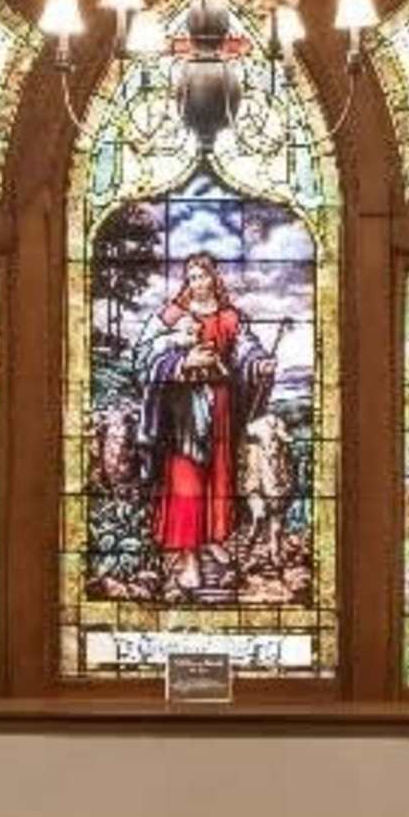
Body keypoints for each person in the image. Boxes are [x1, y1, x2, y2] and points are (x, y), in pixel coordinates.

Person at [137, 254, 273, 593]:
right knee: (188, 483)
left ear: (214, 278)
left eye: (203, 275)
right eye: (192, 276)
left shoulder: (229, 317)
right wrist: (183, 360)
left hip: (223, 410)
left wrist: (260, 365)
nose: (198, 282)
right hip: (182, 412)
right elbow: (142, 355)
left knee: (220, 479)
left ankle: (213, 538)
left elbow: (246, 352)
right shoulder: (172, 315)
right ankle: (188, 558)